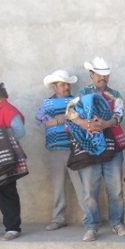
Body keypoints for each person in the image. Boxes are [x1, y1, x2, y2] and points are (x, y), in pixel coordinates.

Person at [75, 57, 125, 241]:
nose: (103, 78)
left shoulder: (116, 94)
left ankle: (117, 223)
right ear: (92, 75)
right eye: (99, 75)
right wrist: (84, 123)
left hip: (112, 146)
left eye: (106, 75)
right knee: (90, 190)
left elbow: (119, 116)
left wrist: (106, 123)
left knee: (115, 190)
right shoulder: (81, 93)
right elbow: (71, 114)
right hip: (88, 146)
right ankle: (91, 226)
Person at [35, 70, 84, 231]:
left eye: (67, 84)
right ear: (54, 87)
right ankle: (58, 218)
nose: (66, 87)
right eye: (62, 84)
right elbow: (42, 121)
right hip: (55, 149)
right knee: (58, 185)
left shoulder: (76, 101)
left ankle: (89, 217)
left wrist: (54, 121)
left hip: (74, 148)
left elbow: (80, 120)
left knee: (81, 184)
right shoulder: (46, 103)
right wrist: (60, 120)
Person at [0, 78, 26, 240]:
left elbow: (20, 132)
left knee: (5, 191)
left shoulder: (8, 110)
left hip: (4, 159)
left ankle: (13, 227)